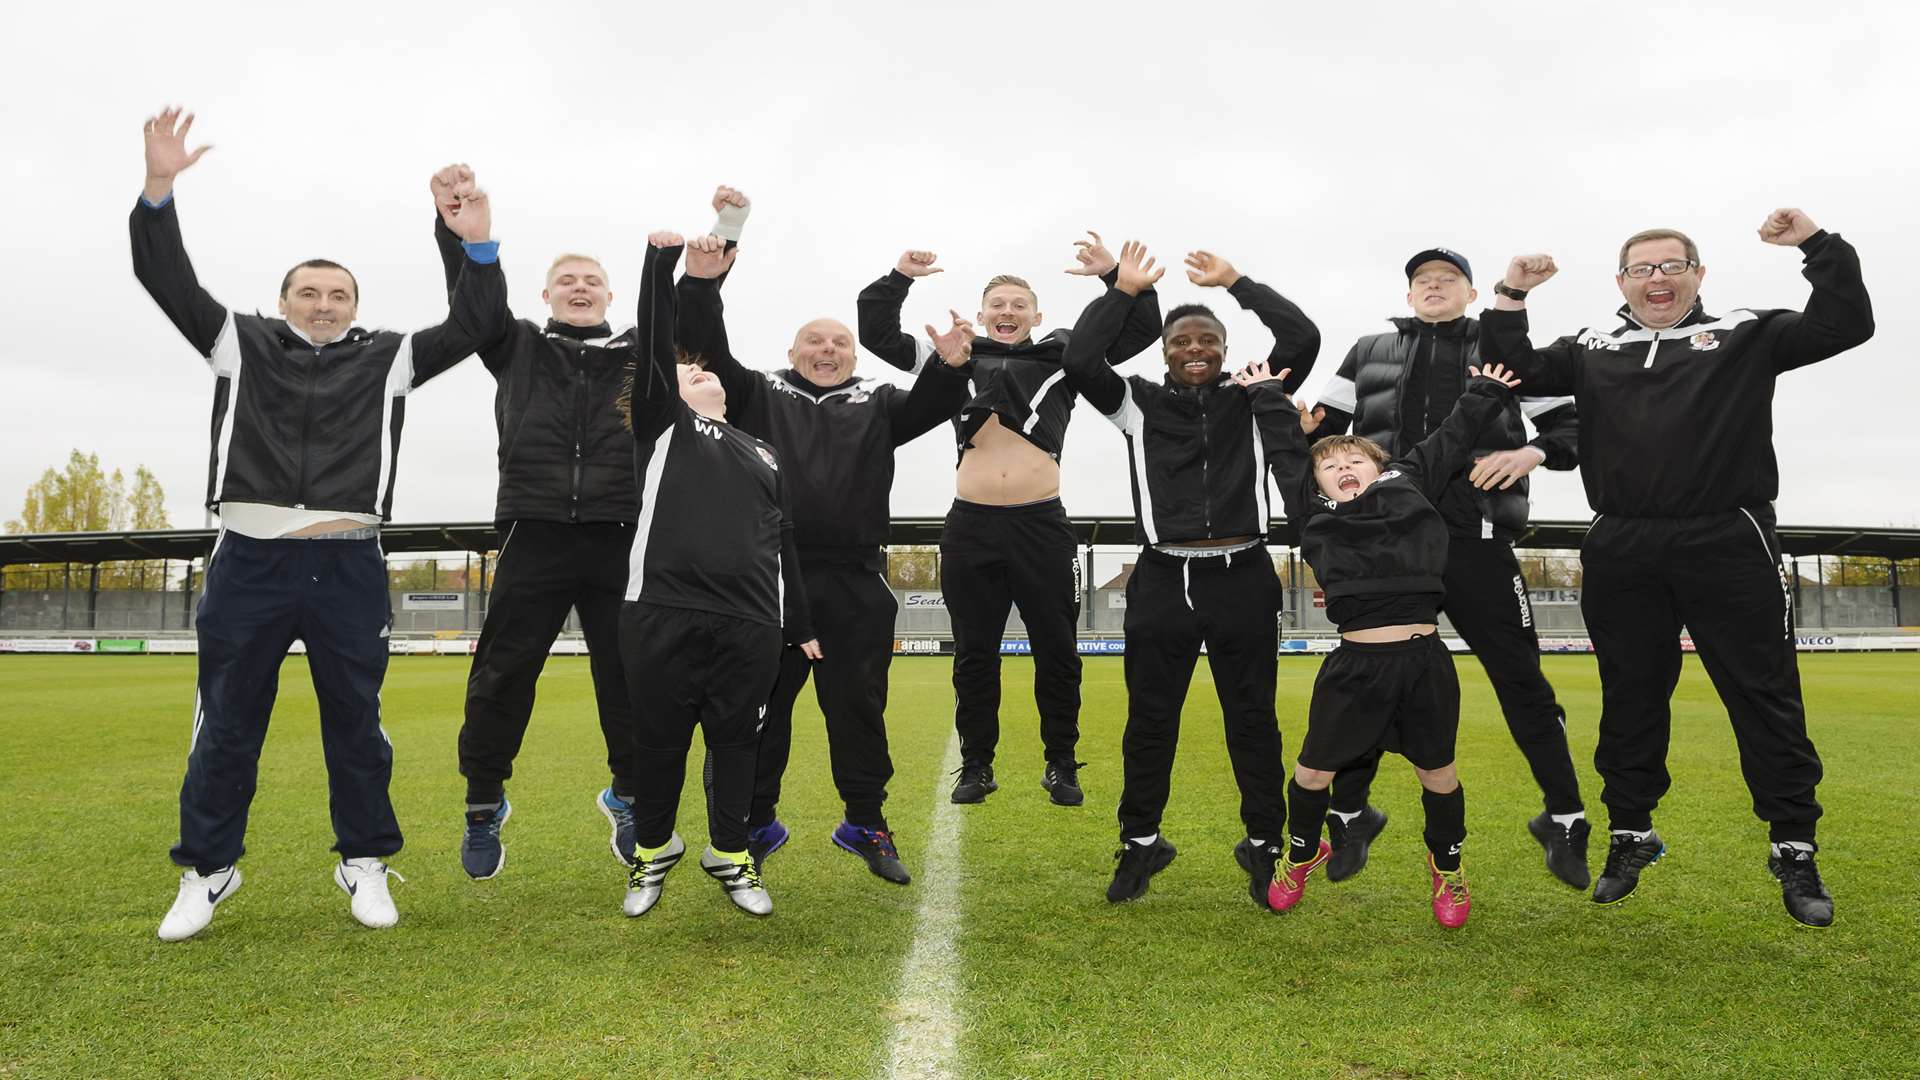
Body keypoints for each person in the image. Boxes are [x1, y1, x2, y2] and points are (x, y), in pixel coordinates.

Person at [131, 109, 506, 940]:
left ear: (355, 307)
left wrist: (472, 242)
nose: (324, 304)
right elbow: (164, 278)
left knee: (357, 725)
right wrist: (159, 189)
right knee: (226, 722)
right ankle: (207, 870)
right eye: (310, 291)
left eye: (339, 295)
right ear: (283, 299)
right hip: (249, 563)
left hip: (346, 564)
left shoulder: (391, 357)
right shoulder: (239, 341)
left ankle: (363, 862)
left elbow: (479, 323)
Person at [1479, 210, 1873, 927]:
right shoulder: (1591, 347)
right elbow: (1513, 367)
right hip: (1623, 541)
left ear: (1698, 274)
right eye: (1642, 268)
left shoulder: (1747, 332)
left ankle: (1794, 847)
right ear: (1621, 282)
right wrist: (1511, 294)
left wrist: (1817, 246)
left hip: (1728, 535)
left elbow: (1846, 324)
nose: (1657, 278)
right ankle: (1631, 832)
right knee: (1630, 693)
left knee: (1762, 694)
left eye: (1671, 266)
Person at [430, 170, 749, 880]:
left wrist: (727, 230)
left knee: (631, 680)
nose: (580, 288)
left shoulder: (640, 351)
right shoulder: (514, 344)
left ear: (609, 294)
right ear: (546, 295)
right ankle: (485, 802)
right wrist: (459, 231)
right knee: (501, 676)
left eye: (592, 281)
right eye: (567, 280)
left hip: (620, 537)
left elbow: (689, 314)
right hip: (534, 531)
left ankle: (629, 796)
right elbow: (472, 298)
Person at [671, 191, 973, 885]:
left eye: (839, 341)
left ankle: (863, 818)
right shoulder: (755, 392)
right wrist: (704, 279)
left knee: (858, 708)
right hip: (766, 580)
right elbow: (702, 339)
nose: (829, 349)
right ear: (791, 350)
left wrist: (952, 365)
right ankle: (753, 823)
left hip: (855, 581)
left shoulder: (879, 402)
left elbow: (934, 402)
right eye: (816, 340)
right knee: (756, 714)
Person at [1306, 247, 1590, 888]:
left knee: (1522, 681)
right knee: (1372, 679)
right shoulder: (1368, 349)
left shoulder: (1506, 351)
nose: (1433, 287)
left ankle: (1565, 817)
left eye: (1448, 279)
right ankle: (1350, 815)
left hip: (1475, 534)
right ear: (1408, 296)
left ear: (1468, 291)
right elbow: (1320, 436)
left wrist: (1531, 454)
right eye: (1421, 281)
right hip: (1386, 546)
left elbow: (1572, 425)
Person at [1057, 242, 1318, 909]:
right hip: (1163, 579)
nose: (1194, 348)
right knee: (1150, 719)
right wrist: (1121, 291)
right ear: (1166, 350)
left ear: (1224, 349)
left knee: (1252, 719)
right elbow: (1080, 360)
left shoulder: (1254, 394)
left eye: (1207, 340)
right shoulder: (1135, 404)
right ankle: (1141, 843)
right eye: (1182, 340)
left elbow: (1303, 336)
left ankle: (1263, 845)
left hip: (1243, 576)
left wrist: (1235, 282)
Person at [857, 236, 1160, 806]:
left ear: (1037, 316)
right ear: (981, 313)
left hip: (1040, 527)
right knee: (974, 652)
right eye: (997, 303)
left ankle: (1061, 762)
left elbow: (1139, 332)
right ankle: (976, 764)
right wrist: (900, 275)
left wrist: (1114, 277)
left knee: (1057, 651)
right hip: (970, 527)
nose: (1007, 312)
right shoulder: (954, 353)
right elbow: (876, 332)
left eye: (1019, 304)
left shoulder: (1065, 356)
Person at [1268, 362, 1529, 928]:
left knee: (1438, 775)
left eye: (1355, 459)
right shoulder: (1309, 509)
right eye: (1330, 465)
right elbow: (1286, 454)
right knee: (1312, 774)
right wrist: (1267, 394)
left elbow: (1453, 436)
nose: (1343, 467)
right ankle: (1301, 853)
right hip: (1355, 665)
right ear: (1316, 483)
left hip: (1423, 663)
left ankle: (1448, 868)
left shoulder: (1410, 481)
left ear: (1377, 465)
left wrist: (1486, 389)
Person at [616, 231, 816, 919]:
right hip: (662, 612)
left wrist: (802, 624)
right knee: (662, 744)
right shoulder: (662, 425)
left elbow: (783, 541)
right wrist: (660, 264)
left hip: (752, 625)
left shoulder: (764, 451)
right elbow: (655, 340)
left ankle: (729, 853)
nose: (700, 371)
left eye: (707, 370)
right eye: (686, 369)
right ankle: (651, 852)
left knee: (738, 744)